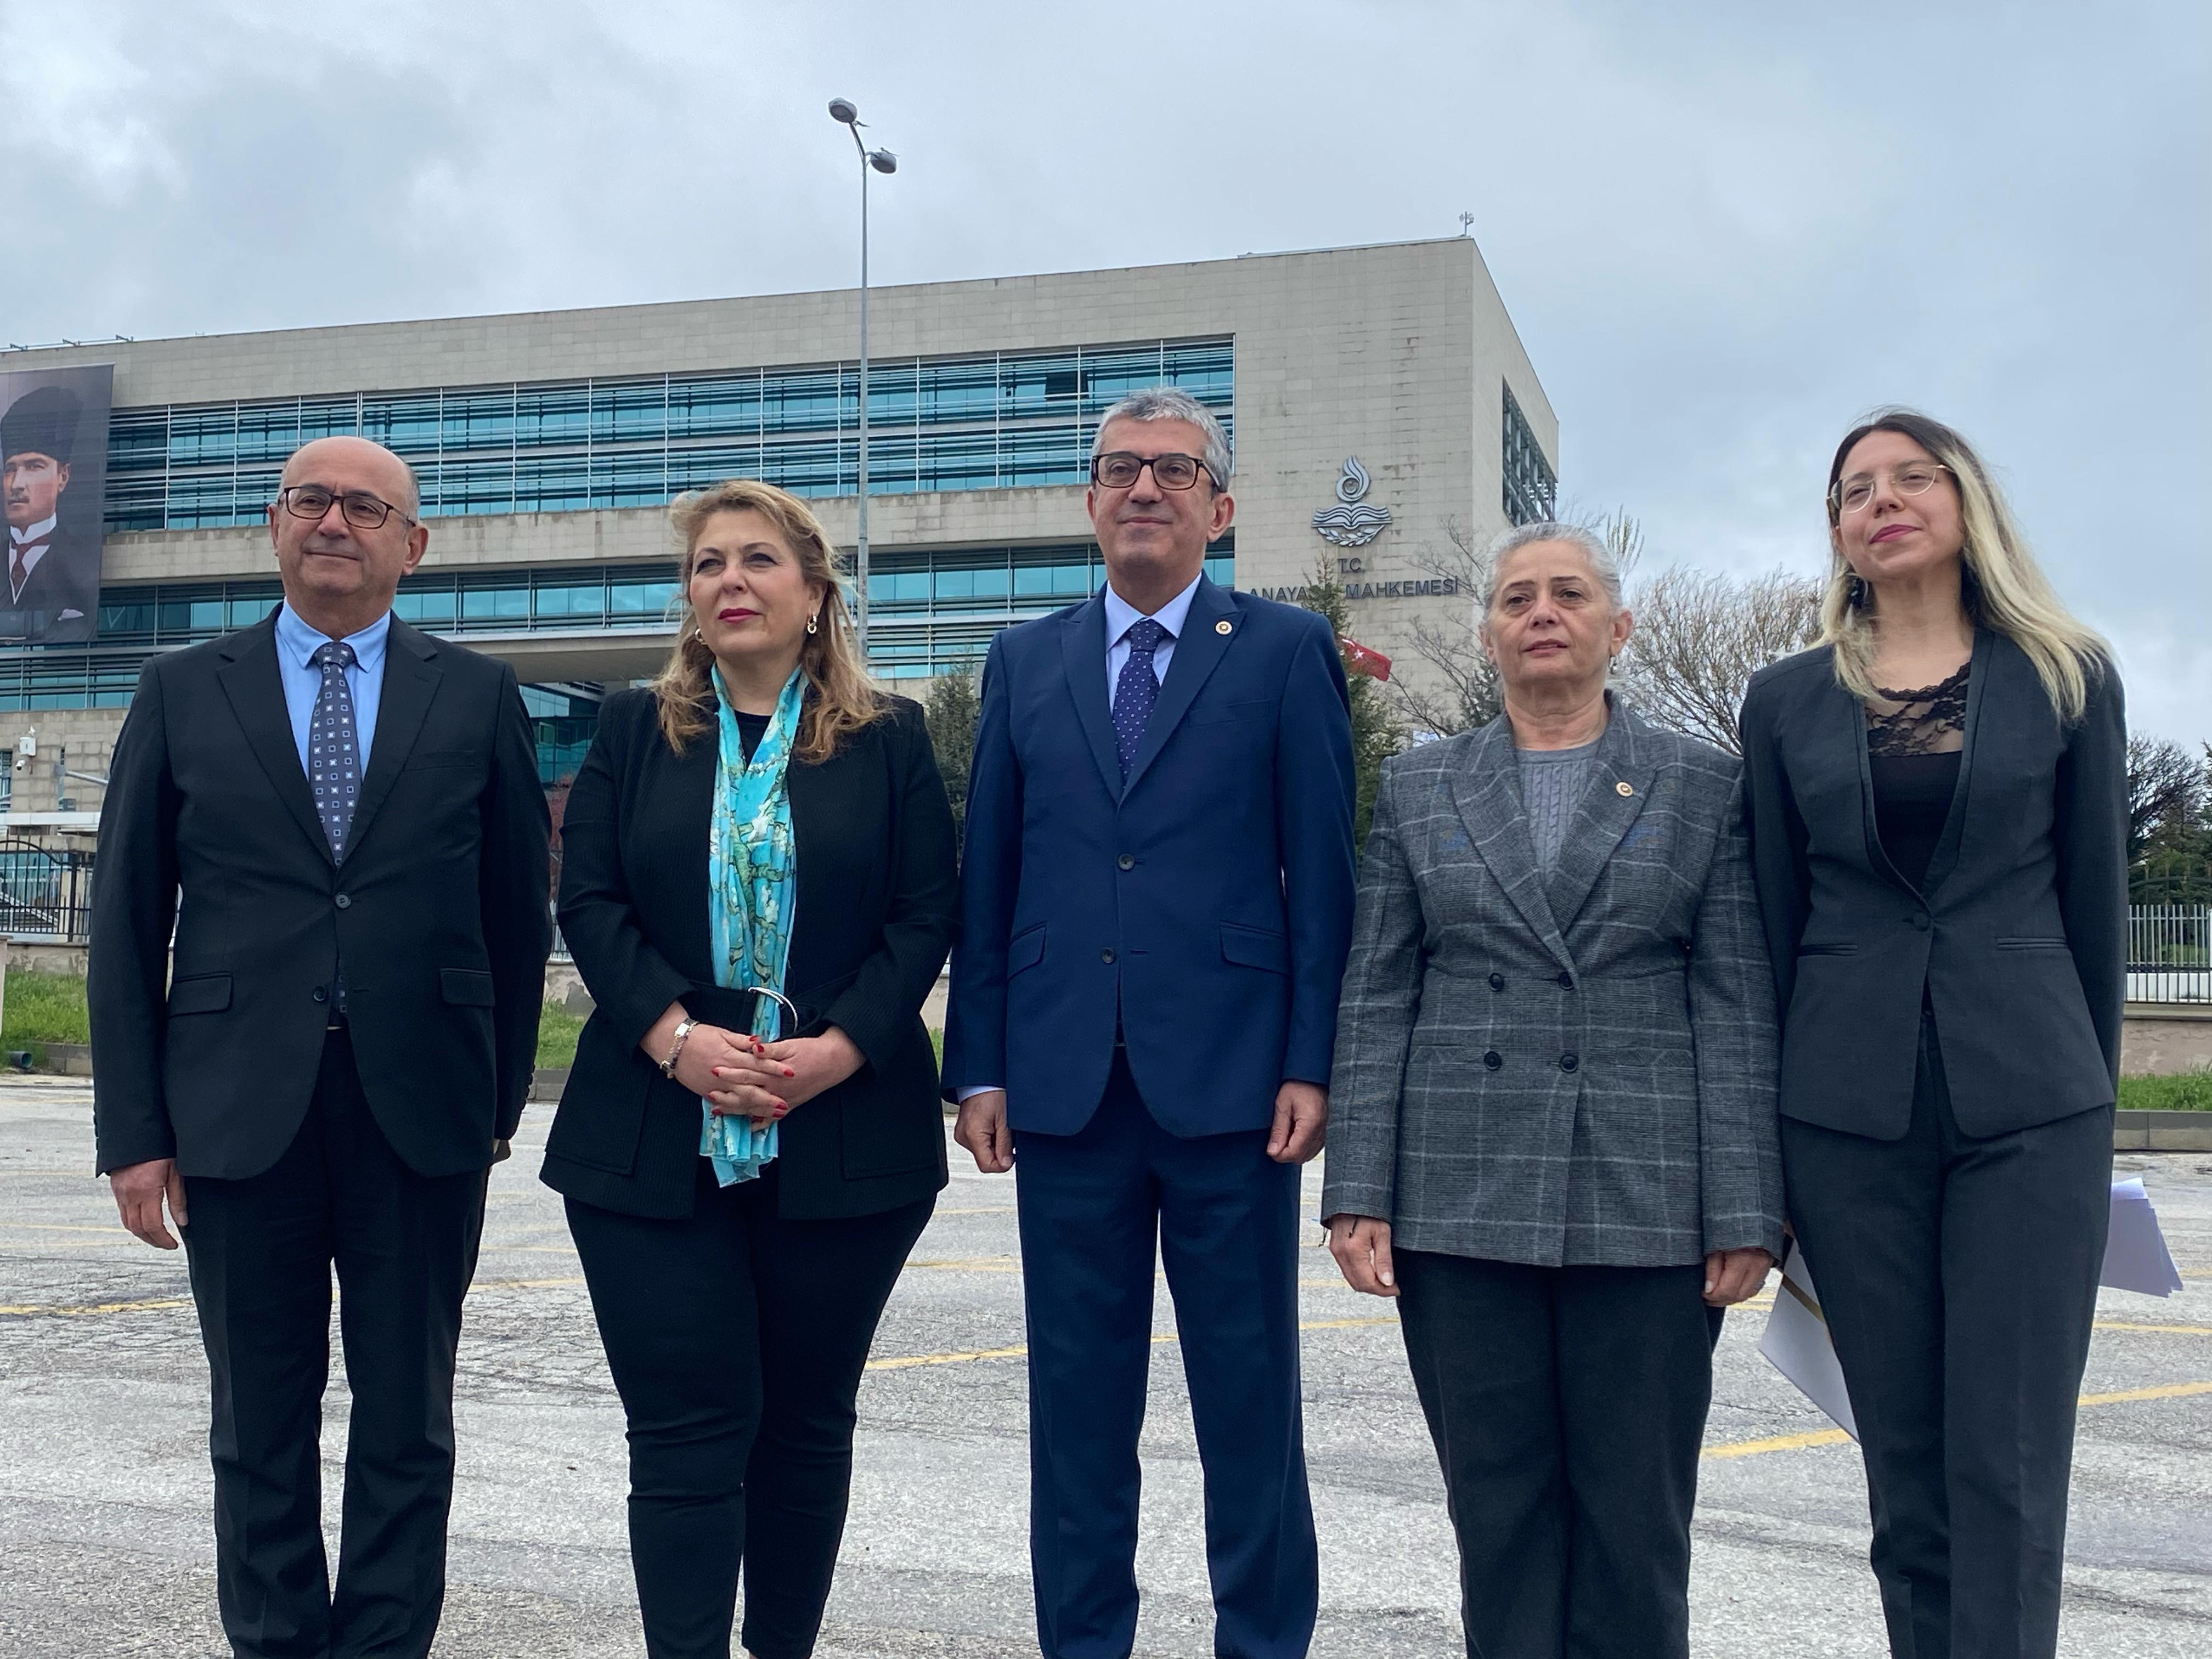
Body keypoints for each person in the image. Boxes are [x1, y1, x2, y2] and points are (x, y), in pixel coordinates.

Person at [88, 436, 552, 1658]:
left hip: (422, 1112)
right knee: (256, 1425)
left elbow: (518, 914)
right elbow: (126, 923)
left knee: (409, 1422)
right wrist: (134, 1133)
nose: (334, 521)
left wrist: (496, 1105)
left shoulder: (478, 694)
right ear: (275, 522)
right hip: (237, 1112)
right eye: (310, 499)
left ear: (414, 543)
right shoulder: (183, 689)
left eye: (365, 506)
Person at [943, 387, 1356, 1659]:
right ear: (1089, 501)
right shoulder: (1027, 661)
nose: (1143, 489)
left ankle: (1263, 1643)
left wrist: (1312, 1060)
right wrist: (977, 1065)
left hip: (1235, 1090)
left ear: (1218, 509)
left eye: (1174, 472)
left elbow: (1323, 877)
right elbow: (990, 875)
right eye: (1120, 468)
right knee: (1076, 1412)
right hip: (1065, 1088)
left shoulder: (1283, 651)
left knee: (1250, 1404)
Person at [1323, 522, 1782, 1659]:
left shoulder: (1704, 781)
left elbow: (1734, 1000)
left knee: (1638, 1519)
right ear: (1487, 634)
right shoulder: (1422, 781)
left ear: (1617, 628)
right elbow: (1377, 991)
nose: (1542, 612)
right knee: (1499, 1515)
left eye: (1569, 594)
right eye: (1517, 597)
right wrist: (1358, 1187)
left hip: (1649, 1190)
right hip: (1457, 1190)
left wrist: (1745, 1206)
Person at [542, 479, 957, 1659]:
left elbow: (925, 910)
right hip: (650, 1125)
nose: (730, 579)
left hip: (844, 1126)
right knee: (684, 1429)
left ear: (815, 593)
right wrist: (676, 1038)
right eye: (709, 563)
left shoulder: (891, 737)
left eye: (759, 559)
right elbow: (591, 899)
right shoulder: (635, 728)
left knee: (806, 1426)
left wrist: (838, 1048)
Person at [1739, 409, 2125, 1659]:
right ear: (1837, 532)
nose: (1883, 500)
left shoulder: (2067, 676)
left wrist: (2086, 1101)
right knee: (1904, 1469)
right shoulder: (1783, 701)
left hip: (2032, 1110)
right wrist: (1769, 1156)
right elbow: (1774, 929)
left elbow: (2097, 912)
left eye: (1912, 478)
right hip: (1846, 1116)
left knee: (2007, 1460)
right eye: (1855, 489)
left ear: (1967, 505)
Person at [0, 382, 100, 641]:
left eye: (34, 467)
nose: (17, 484)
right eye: (10, 469)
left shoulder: (82, 566)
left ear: (62, 477)